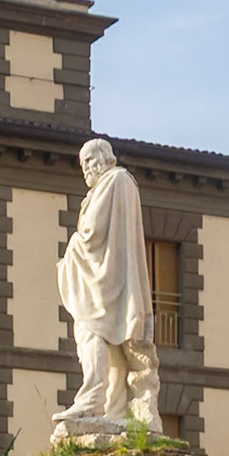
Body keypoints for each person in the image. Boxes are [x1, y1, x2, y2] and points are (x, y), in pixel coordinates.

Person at [54, 138, 160, 435]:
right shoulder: (121, 184)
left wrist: (72, 248)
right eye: (83, 163)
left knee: (88, 331)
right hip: (111, 275)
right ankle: (115, 408)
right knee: (109, 343)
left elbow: (92, 232)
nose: (86, 168)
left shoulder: (112, 181)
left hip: (103, 277)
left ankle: (91, 398)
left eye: (89, 160)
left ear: (104, 158)